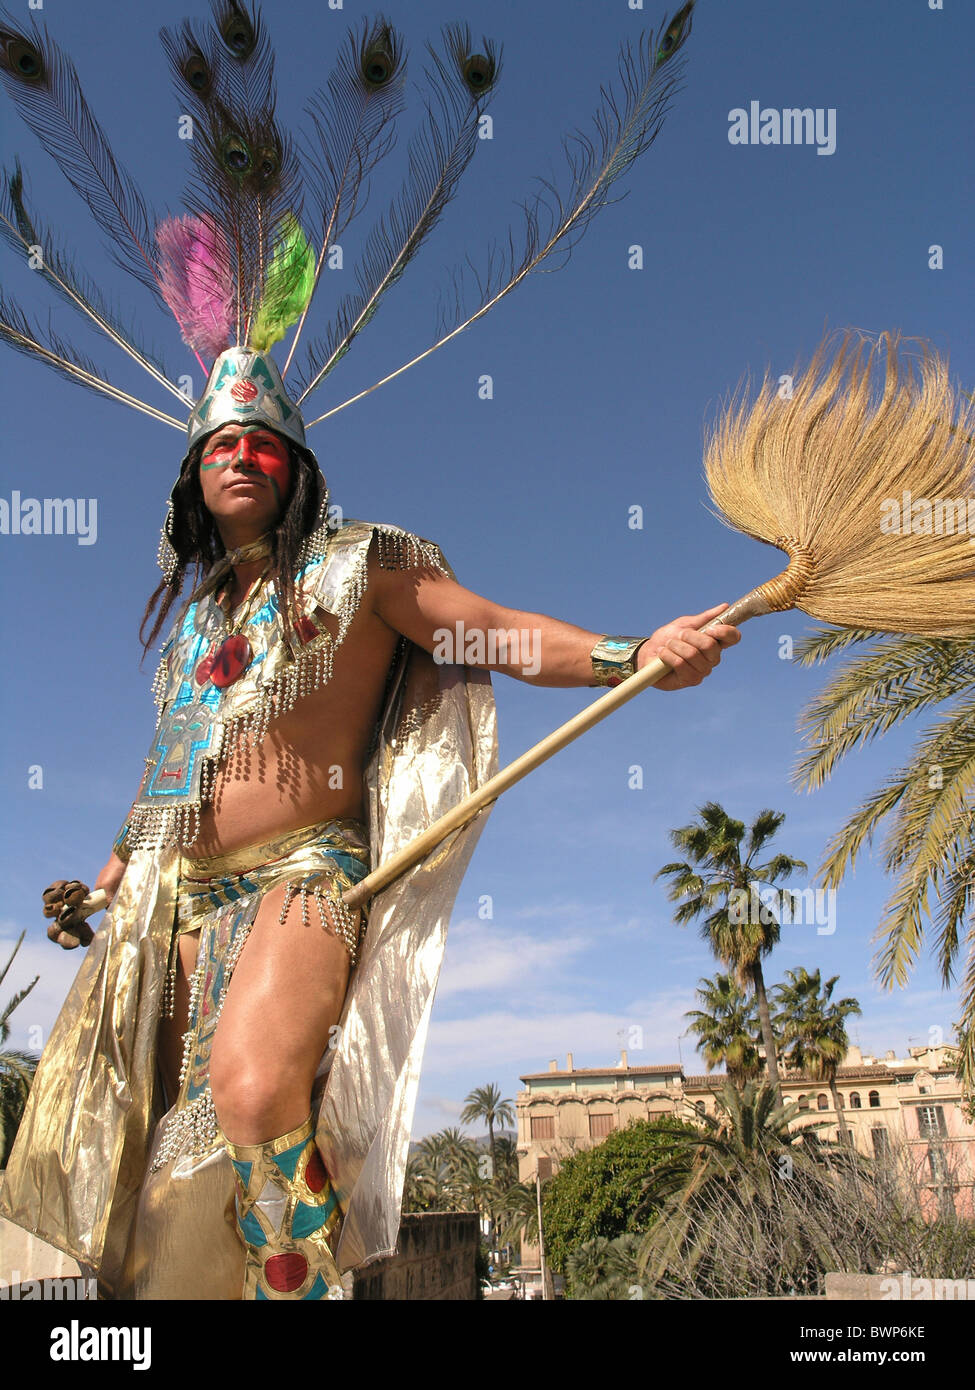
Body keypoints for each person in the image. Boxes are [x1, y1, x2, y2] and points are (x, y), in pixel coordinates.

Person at [2, 348, 738, 1300]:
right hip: (174, 905)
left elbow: (496, 631)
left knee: (258, 1087)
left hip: (304, 877)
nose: (240, 457)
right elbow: (168, 779)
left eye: (263, 444)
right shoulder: (196, 627)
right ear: (192, 478)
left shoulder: (365, 563)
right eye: (220, 444)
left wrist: (631, 652)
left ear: (297, 468)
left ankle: (302, 1290)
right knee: (167, 1152)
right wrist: (104, 885)